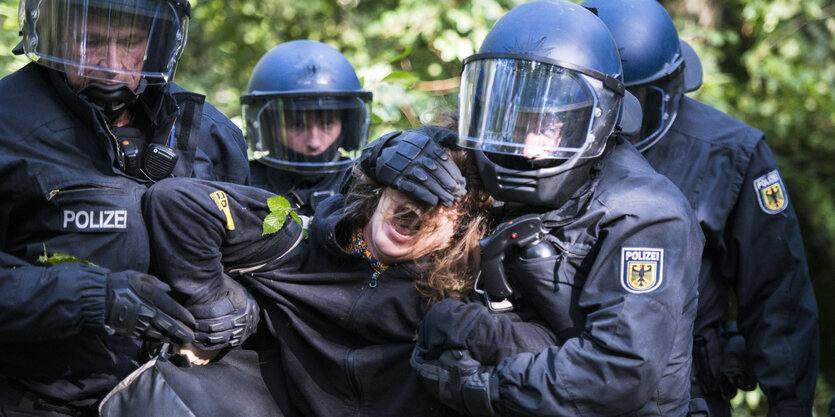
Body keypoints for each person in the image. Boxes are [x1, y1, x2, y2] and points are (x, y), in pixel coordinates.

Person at [362, 1, 705, 415]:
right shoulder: (486, 163)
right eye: (517, 122)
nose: (527, 148)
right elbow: (346, 229)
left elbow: (619, 371)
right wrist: (384, 156)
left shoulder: (646, 214)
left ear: (597, 119)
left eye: (550, 125)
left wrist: (487, 389)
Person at [132, 126, 556, 416]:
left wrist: (464, 325)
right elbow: (176, 202)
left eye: (446, 199)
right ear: (383, 186)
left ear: (458, 230)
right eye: (413, 182)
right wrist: (213, 308)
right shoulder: (296, 241)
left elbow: (548, 343)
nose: (423, 204)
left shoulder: (462, 288)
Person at [0, 0, 252, 414]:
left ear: (156, 44)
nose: (112, 66)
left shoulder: (212, 134)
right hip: (35, 398)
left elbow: (258, 259)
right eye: (91, 42)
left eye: (130, 42)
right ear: (51, 33)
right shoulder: (7, 124)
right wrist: (90, 297)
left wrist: (244, 307)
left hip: (183, 397)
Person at [581, 0, 820, 415]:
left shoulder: (730, 154)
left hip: (681, 393)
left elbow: (779, 302)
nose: (618, 122)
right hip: (560, 377)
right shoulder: (551, 139)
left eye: (630, 103)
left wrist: (790, 408)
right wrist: (429, 150)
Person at [242, 40, 373, 216]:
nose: (314, 142)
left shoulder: (364, 185)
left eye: (327, 124)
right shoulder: (244, 186)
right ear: (267, 127)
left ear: (348, 125)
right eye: (297, 125)